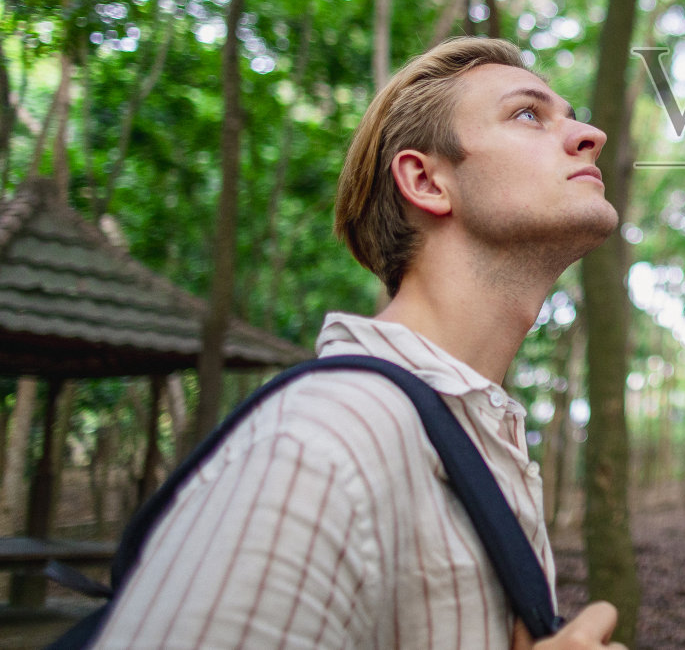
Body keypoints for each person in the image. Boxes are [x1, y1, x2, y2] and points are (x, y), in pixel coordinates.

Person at [93, 37, 626, 649]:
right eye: (528, 114)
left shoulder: (478, 436)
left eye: (570, 113)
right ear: (425, 180)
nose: (590, 134)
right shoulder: (325, 438)